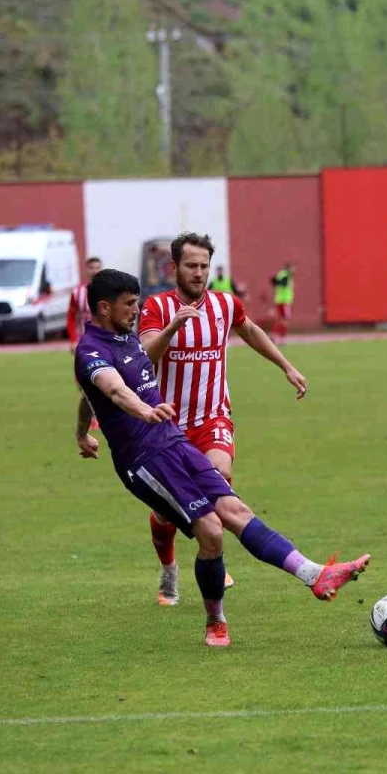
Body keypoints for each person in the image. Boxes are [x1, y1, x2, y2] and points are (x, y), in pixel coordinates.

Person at [74, 269, 368, 647]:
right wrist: (142, 412)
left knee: (235, 510)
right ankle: (216, 621)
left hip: (173, 441)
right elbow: (110, 390)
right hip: (144, 460)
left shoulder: (125, 339)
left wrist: (82, 432)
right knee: (211, 531)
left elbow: (87, 397)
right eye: (129, 304)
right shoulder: (91, 350)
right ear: (103, 307)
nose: (136, 309)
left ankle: (315, 574)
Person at [137, 232, 309, 606]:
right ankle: (169, 569)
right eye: (191, 266)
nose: (199, 273)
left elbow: (251, 331)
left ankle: (212, 553)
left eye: (204, 266)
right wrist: (173, 328)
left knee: (219, 477)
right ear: (174, 268)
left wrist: (286, 367)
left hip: (212, 418)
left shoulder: (225, 305)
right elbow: (144, 356)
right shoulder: (156, 308)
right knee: (165, 515)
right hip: (166, 427)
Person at [67, 256, 103, 349]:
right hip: (84, 339)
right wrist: (73, 340)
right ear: (86, 270)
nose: (94, 271)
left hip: (104, 339)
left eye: (97, 268)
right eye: (91, 268)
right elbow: (71, 317)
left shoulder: (110, 291)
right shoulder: (77, 292)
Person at [271, 262, 295, 343]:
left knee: (281, 319)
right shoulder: (286, 275)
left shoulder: (281, 274)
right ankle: (281, 337)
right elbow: (282, 284)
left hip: (280, 300)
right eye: (293, 268)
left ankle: (275, 335)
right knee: (285, 320)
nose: (294, 270)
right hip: (284, 301)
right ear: (289, 268)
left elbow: (274, 281)